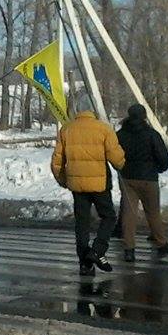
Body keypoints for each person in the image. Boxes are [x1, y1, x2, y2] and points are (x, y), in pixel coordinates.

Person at [51, 105, 126, 275]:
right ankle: (97, 250)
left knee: (82, 223)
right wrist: (121, 164)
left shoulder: (66, 130)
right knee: (108, 217)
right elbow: (116, 157)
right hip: (100, 184)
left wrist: (64, 180)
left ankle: (84, 264)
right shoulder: (103, 129)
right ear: (93, 112)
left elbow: (57, 160)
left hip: (77, 185)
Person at [116, 104, 168, 262]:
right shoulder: (151, 134)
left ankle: (129, 249)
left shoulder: (120, 134)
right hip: (149, 178)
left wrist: (121, 168)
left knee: (129, 214)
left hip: (127, 178)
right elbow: (163, 157)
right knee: (153, 212)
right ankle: (161, 243)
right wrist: (159, 169)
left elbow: (113, 154)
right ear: (144, 116)